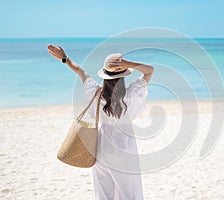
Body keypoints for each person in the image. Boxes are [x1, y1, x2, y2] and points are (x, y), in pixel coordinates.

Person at [47, 44, 154, 200]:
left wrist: (64, 58)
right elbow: (150, 70)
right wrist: (129, 64)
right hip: (125, 148)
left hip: (103, 147)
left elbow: (81, 72)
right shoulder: (131, 95)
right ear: (123, 76)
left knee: (104, 193)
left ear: (105, 76)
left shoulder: (96, 94)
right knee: (129, 192)